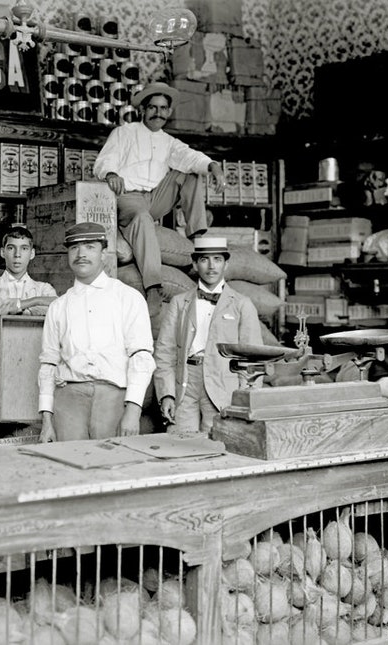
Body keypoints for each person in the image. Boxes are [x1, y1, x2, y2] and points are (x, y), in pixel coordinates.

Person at [93, 81, 227, 320]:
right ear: (142, 110)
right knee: (143, 218)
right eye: (153, 107)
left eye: (163, 108)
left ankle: (195, 235)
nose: (158, 113)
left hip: (155, 198)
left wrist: (213, 166)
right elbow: (105, 161)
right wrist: (111, 174)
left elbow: (190, 156)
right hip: (128, 197)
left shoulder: (168, 142)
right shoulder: (124, 132)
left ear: (169, 112)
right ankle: (154, 287)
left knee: (190, 171)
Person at [38, 222, 155, 442]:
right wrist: (47, 421)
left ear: (104, 253)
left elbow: (141, 357)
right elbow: (48, 365)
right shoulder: (58, 306)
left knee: (114, 468)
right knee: (70, 468)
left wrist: (133, 411)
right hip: (68, 403)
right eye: (74, 248)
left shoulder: (127, 298)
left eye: (89, 246)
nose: (81, 253)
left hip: (114, 399)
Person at [154, 237, 262, 436]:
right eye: (204, 260)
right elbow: (164, 352)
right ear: (195, 264)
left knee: (220, 443)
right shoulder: (179, 303)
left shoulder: (241, 304)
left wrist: (246, 400)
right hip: (185, 384)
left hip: (223, 385)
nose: (211, 266)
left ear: (226, 264)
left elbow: (252, 358)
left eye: (217, 259)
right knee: (180, 445)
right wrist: (166, 394)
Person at [0, 225, 57, 392]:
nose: (17, 255)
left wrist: (10, 309)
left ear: (32, 254)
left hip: (32, 368)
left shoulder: (44, 288)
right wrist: (33, 302)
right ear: (2, 252)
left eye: (24, 248)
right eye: (11, 248)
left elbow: (55, 309)